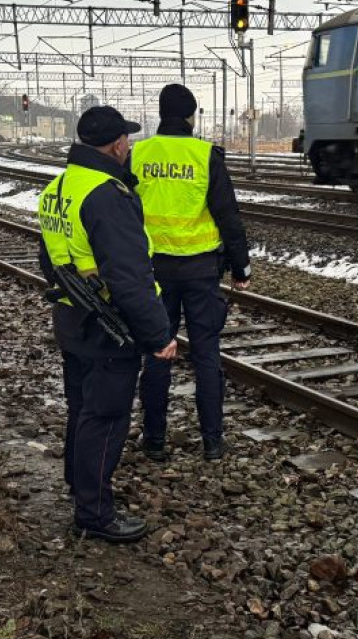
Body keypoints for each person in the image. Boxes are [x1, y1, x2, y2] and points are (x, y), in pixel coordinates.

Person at [37, 105, 177, 544]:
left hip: (71, 317)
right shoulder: (107, 193)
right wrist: (159, 335)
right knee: (107, 415)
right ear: (117, 144)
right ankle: (94, 513)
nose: (128, 147)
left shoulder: (59, 187)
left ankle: (78, 486)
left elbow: (48, 258)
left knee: (82, 407)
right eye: (127, 141)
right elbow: (129, 275)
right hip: (107, 324)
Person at [131, 83, 252, 462]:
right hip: (201, 271)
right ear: (190, 116)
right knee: (206, 356)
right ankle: (213, 443)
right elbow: (227, 214)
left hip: (154, 271)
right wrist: (240, 266)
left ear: (161, 113)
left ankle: (153, 441)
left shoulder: (138, 154)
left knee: (157, 352)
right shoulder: (205, 156)